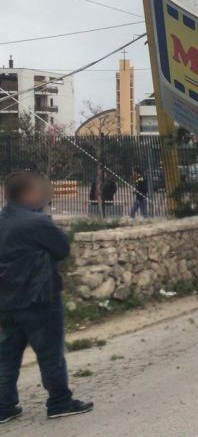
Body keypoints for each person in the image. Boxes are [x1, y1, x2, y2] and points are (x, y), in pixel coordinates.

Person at [0, 171, 93, 423]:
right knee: (50, 352)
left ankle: (4, 406)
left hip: (7, 302)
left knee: (7, 356)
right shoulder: (36, 222)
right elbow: (62, 248)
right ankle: (59, 402)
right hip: (39, 298)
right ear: (27, 194)